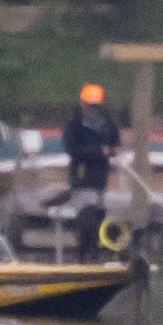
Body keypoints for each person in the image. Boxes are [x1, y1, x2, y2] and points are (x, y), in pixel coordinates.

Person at [62, 83, 121, 261]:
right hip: (82, 176)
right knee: (85, 218)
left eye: (96, 106)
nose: (93, 110)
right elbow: (72, 149)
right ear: (82, 104)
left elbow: (115, 141)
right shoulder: (74, 124)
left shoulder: (107, 123)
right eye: (90, 106)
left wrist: (114, 149)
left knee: (99, 216)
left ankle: (96, 253)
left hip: (100, 177)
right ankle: (82, 254)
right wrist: (98, 151)